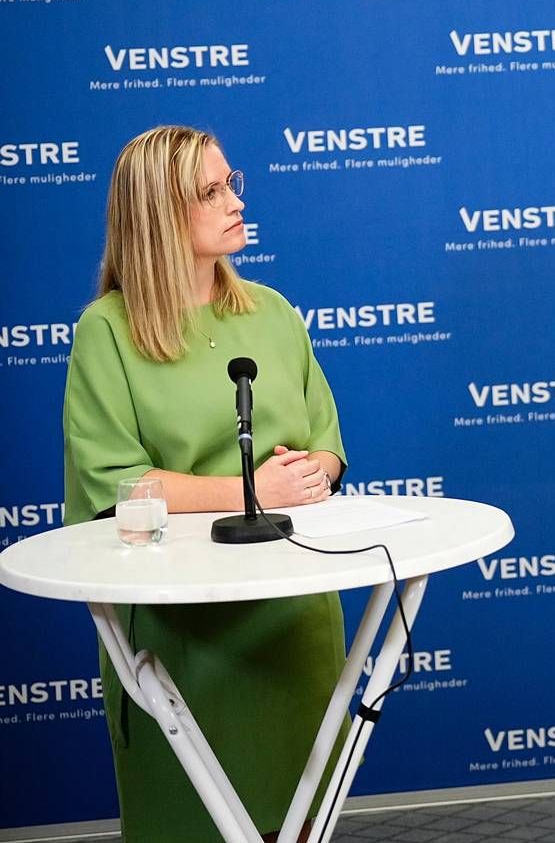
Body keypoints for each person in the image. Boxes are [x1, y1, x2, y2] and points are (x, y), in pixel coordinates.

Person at [63, 125, 348, 843]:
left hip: (294, 617)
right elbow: (116, 486)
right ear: (159, 213)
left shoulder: (273, 311)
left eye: (232, 184)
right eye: (210, 191)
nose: (234, 202)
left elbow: (328, 444)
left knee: (298, 819)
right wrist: (250, 491)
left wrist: (315, 473)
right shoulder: (108, 332)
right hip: (182, 629)